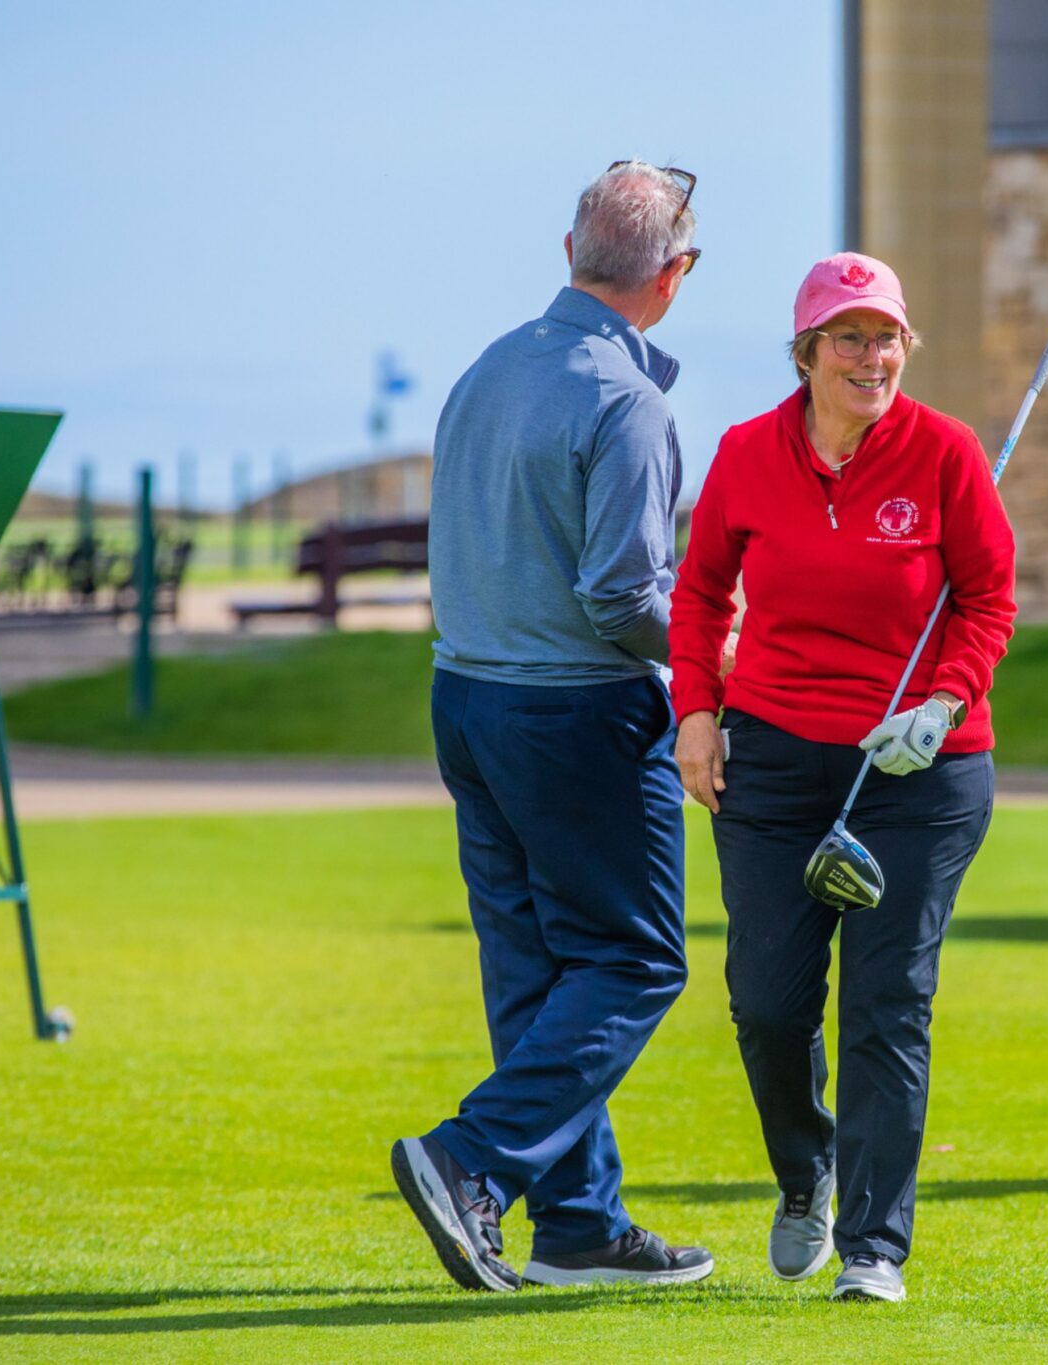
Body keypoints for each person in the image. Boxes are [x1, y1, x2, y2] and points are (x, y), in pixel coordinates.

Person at [392, 161, 714, 1291]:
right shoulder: (626, 399)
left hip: (467, 700)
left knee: (534, 969)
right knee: (632, 960)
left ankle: (576, 1223)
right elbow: (624, 597)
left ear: (567, 254)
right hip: (571, 709)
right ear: (673, 276)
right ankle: (468, 1161)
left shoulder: (489, 368)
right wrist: (724, 656)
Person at [670, 252, 1015, 1303]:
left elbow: (987, 600)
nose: (873, 356)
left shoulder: (946, 453)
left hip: (919, 772)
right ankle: (804, 1170)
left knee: (885, 1001)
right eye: (850, 337)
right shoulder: (742, 454)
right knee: (767, 1004)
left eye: (887, 337)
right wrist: (695, 712)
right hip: (773, 759)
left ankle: (873, 1246)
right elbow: (698, 595)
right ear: (808, 351)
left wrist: (945, 700)